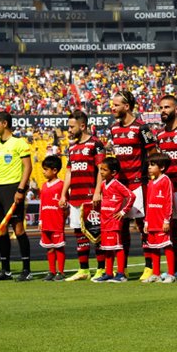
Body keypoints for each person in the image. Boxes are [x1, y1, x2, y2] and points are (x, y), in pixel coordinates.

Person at [98, 91, 157, 281]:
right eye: (112, 105)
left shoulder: (142, 128)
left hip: (139, 183)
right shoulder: (114, 128)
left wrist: (150, 179)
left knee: (142, 226)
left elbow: (153, 155)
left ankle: (149, 266)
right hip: (120, 186)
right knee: (120, 226)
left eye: (116, 105)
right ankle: (121, 269)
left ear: (127, 106)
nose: (112, 108)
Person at [0, 111, 33, 281]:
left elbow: (28, 167)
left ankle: (26, 270)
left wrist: (20, 190)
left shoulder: (19, 143)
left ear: (4, 124)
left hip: (13, 189)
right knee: (1, 230)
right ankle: (5, 270)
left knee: (18, 228)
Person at [61, 110, 104, 282]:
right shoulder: (71, 147)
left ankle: (101, 269)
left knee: (96, 233)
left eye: (72, 126)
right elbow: (69, 171)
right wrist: (64, 194)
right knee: (79, 232)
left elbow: (101, 169)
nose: (69, 130)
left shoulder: (96, 144)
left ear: (83, 126)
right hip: (75, 197)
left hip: (90, 196)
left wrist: (97, 191)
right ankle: (83, 269)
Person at [153, 94, 177, 279]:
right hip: (167, 190)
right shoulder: (159, 135)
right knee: (171, 229)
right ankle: (173, 269)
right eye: (161, 108)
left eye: (167, 107)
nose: (163, 111)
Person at [93, 157, 135, 284]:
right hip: (105, 221)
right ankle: (108, 273)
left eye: (104, 170)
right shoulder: (103, 185)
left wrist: (123, 211)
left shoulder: (117, 184)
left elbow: (131, 196)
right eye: (100, 169)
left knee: (117, 247)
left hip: (114, 221)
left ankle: (121, 273)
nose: (101, 172)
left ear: (114, 172)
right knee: (107, 248)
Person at [143, 152, 175, 283]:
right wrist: (146, 221)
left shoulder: (166, 180)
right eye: (149, 165)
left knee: (167, 246)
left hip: (162, 220)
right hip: (152, 220)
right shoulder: (150, 183)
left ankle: (171, 274)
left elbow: (169, 201)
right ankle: (156, 273)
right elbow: (148, 203)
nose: (149, 167)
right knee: (153, 247)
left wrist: (167, 219)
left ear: (161, 167)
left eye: (152, 165)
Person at [38, 155, 67, 281]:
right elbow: (41, 204)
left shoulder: (62, 185)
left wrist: (64, 214)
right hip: (46, 220)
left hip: (56, 220)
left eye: (45, 169)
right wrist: (40, 220)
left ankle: (60, 272)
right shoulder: (44, 186)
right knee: (49, 248)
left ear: (54, 170)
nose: (43, 172)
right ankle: (51, 271)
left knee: (59, 247)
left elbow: (66, 203)